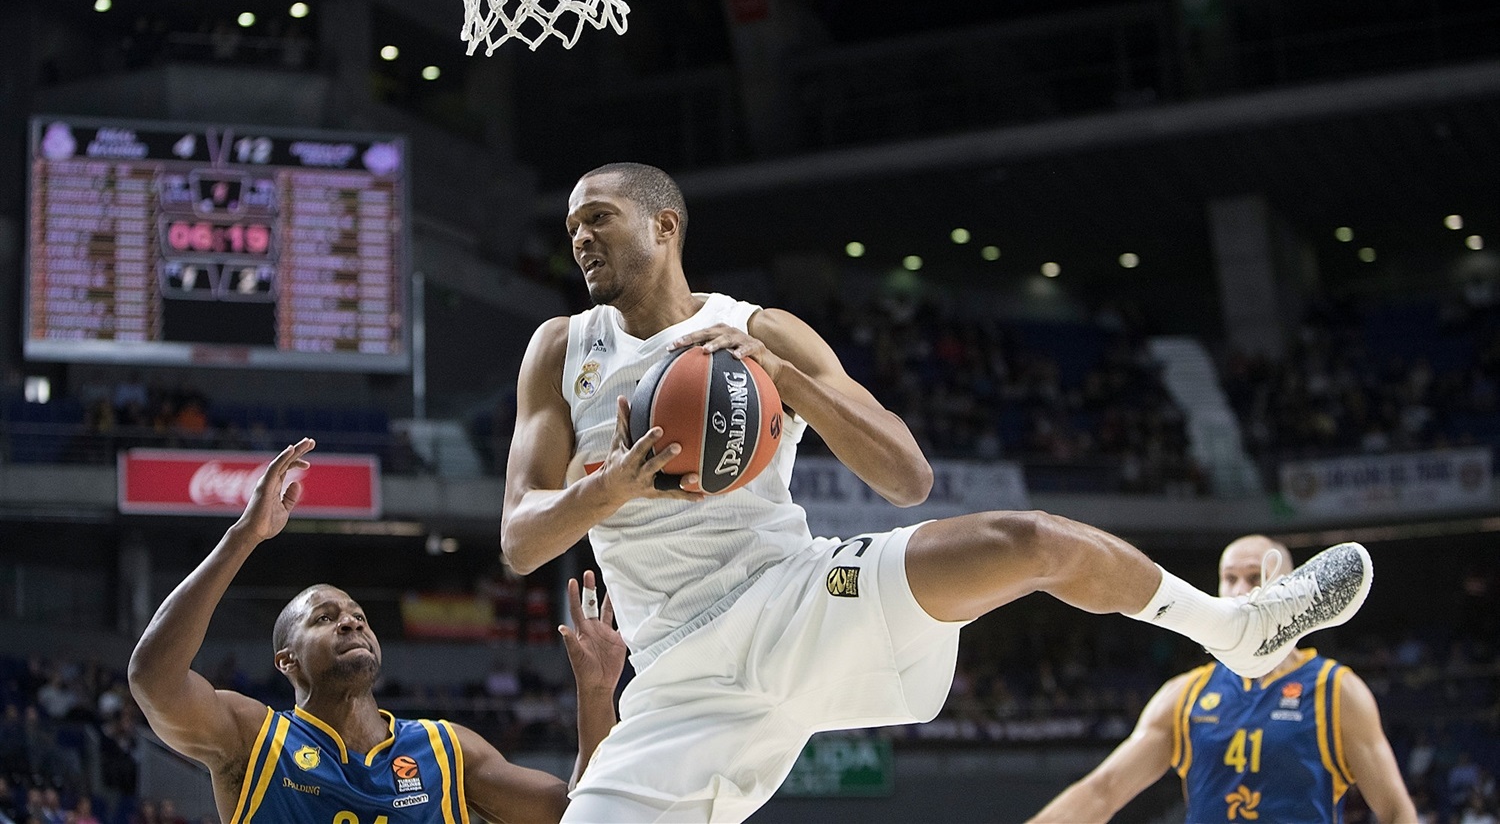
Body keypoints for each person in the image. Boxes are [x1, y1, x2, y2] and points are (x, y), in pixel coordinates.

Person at [501, 162, 1375, 823]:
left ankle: (1240, 631)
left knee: (1028, 540)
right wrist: (605, 491)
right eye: (573, 225)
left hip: (791, 598)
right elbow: (519, 540)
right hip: (677, 677)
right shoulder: (560, 349)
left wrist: (793, 384)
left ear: (665, 226)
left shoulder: (762, 332)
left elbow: (906, 478)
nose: (580, 237)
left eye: (599, 219)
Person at [129, 438, 626, 823]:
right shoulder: (254, 738)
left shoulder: (445, 750)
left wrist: (598, 692)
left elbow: (576, 813)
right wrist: (244, 536)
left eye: (359, 617)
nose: (349, 620)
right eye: (324, 618)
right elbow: (154, 679)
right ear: (287, 660)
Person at [1029, 535, 1416, 823]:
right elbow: (1103, 791)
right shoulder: (1183, 695)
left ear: (1296, 590)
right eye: (1229, 578)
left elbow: (1397, 813)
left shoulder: (1337, 690)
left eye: (1255, 576)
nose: (1241, 589)